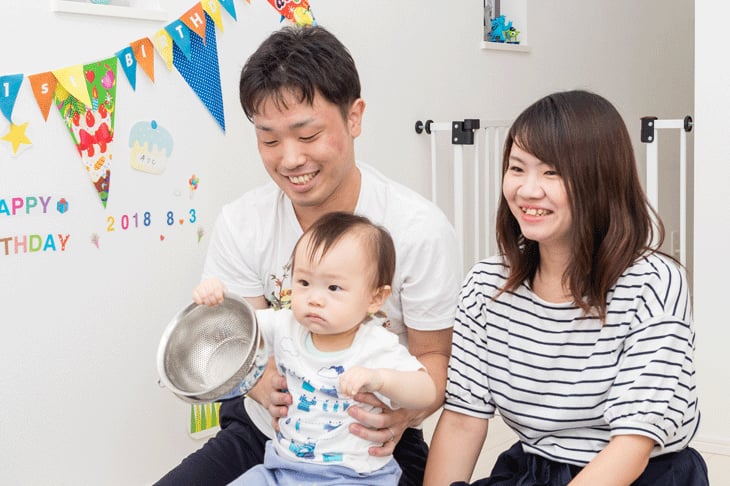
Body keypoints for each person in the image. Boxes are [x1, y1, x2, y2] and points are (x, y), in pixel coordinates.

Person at [155, 25, 461, 486]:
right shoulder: (243, 222)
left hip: (372, 443)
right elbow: (240, 338)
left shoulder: (418, 230)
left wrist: (402, 416)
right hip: (266, 434)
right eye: (269, 140)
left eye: (308, 134)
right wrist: (258, 383)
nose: (290, 159)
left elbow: (434, 357)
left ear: (354, 117)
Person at [423, 90, 708, 486]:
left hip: (639, 475)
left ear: (601, 179)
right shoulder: (486, 286)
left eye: (552, 172)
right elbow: (462, 421)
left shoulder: (652, 283)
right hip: (534, 469)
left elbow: (631, 447)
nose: (527, 190)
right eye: (517, 168)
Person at [193, 211, 437, 485]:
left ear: (375, 298)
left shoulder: (376, 345)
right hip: (282, 469)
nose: (315, 299)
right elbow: (235, 328)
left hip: (353, 477)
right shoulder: (285, 325)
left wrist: (381, 379)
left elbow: (427, 391)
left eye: (333, 287)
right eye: (304, 283)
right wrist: (217, 300)